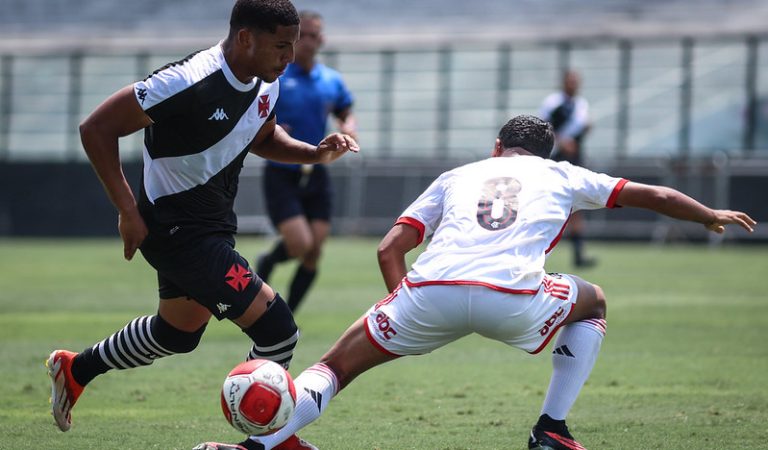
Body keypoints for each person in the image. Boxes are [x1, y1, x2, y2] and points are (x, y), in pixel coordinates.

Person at [194, 115, 755, 450]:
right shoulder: (564, 175)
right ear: (544, 155)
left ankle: (258, 444)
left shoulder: (457, 175)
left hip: (428, 294)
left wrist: (403, 306)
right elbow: (652, 195)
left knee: (334, 369)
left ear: (495, 148)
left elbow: (392, 247)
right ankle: (551, 429)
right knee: (595, 300)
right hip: (513, 299)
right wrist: (708, 215)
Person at [45, 2, 357, 448]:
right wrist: (127, 210)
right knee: (278, 330)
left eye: (293, 46)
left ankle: (76, 369)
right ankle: (269, 440)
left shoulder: (266, 80)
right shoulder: (187, 81)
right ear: (247, 38)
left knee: (177, 333)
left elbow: (263, 135)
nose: (290, 57)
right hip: (176, 230)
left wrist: (313, 153)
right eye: (281, 46)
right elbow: (96, 128)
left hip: (210, 225)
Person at [255, 10, 356, 313]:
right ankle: (268, 262)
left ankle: (288, 316)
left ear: (321, 39)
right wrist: (271, 129)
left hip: (318, 171)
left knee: (314, 251)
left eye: (315, 36)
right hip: (282, 171)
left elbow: (345, 110)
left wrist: (348, 126)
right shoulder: (276, 78)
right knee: (299, 244)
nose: (310, 42)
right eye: (304, 36)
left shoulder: (330, 80)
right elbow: (255, 114)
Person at [539, 70, 595, 267]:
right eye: (571, 81)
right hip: (556, 158)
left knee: (576, 206)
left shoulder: (580, 104)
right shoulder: (553, 102)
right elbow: (544, 126)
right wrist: (561, 141)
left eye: (576, 81)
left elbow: (583, 126)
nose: (574, 84)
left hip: (575, 159)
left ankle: (579, 255)